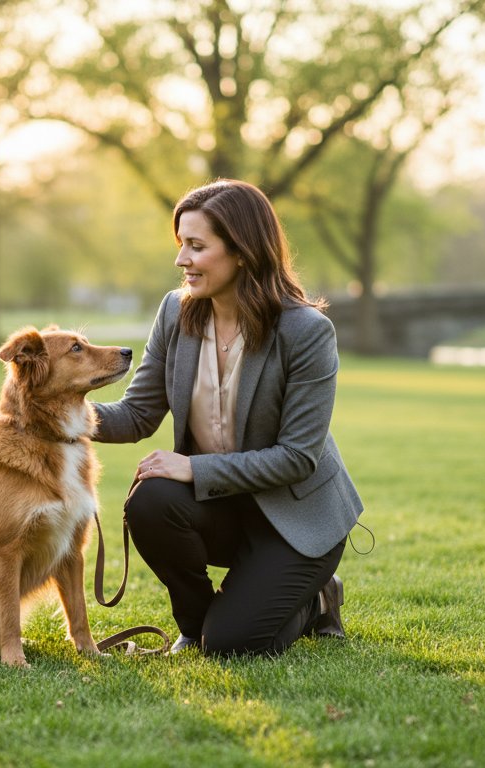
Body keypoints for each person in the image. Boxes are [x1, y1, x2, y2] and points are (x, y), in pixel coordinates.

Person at [90, 178, 365, 656]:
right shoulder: (176, 312)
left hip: (295, 518)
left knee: (235, 643)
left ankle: (317, 600)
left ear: (242, 251)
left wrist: (191, 468)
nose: (182, 260)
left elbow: (298, 457)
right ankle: (195, 625)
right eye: (181, 245)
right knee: (150, 501)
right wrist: (53, 412)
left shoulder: (307, 331)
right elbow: (136, 414)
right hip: (220, 506)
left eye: (197, 246)